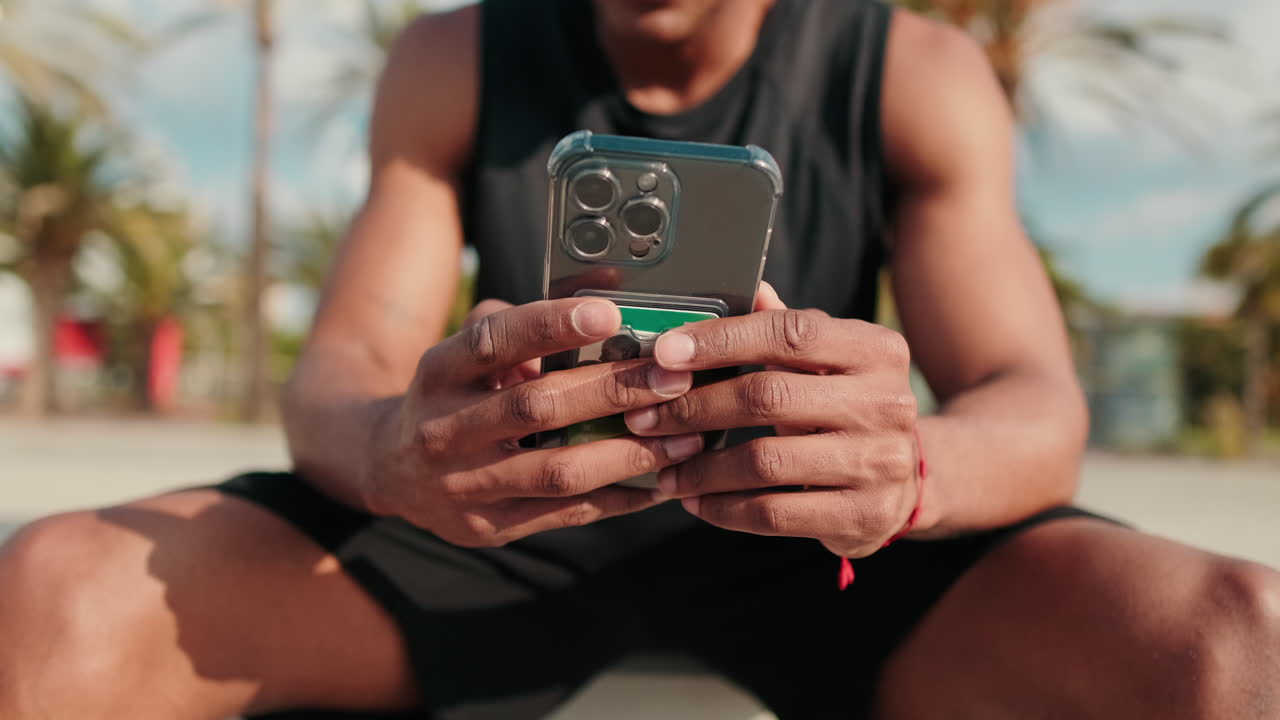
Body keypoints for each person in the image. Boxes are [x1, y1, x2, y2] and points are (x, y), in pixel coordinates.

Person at [1, 0, 1277, 718]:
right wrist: (394, 452)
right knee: (53, 594)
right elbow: (337, 369)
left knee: (1238, 640)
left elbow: (1033, 397)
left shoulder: (914, 74)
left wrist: (912, 469)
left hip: (815, 540)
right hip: (492, 525)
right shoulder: (454, 57)